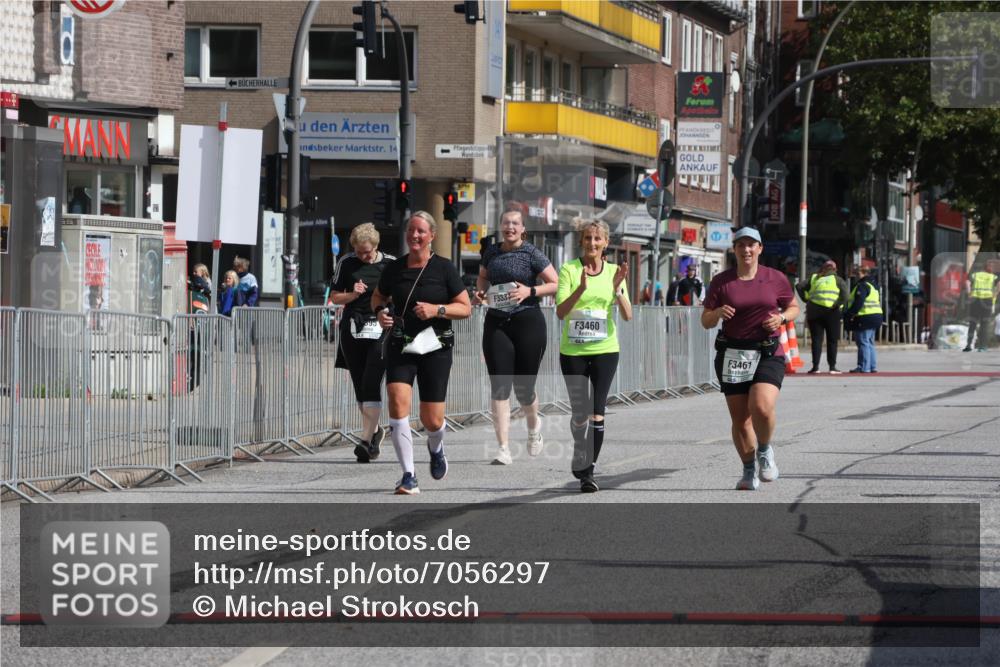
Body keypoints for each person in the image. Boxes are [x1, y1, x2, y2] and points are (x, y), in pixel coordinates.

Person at [371, 211, 472, 495]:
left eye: (420, 231)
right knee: (397, 401)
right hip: (401, 344)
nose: (414, 236)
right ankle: (408, 475)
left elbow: (465, 308)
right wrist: (379, 312)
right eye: (410, 231)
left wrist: (437, 310)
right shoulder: (395, 268)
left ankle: (436, 447)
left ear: (432, 236)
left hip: (435, 347)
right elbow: (378, 296)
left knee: (433, 420)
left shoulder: (444, 269)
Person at [701, 227, 800, 491]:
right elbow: (705, 320)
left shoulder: (775, 278)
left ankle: (764, 450)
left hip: (767, 351)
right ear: (734, 249)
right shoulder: (722, 281)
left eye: (751, 245)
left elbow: (793, 308)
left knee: (761, 406)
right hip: (733, 354)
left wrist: (781, 318)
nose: (746, 249)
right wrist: (718, 313)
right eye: (741, 245)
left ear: (759, 248)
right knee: (741, 419)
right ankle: (748, 471)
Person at [475, 208, 559, 465]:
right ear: (501, 226)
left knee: (524, 389)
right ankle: (503, 448)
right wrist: (481, 292)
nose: (510, 227)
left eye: (515, 223)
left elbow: (555, 283)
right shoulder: (491, 252)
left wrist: (529, 291)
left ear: (523, 229)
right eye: (506, 223)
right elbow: (482, 278)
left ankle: (534, 428)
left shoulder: (532, 253)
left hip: (528, 321)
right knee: (500, 386)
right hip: (497, 322)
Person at [555, 220, 632, 493]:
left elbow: (627, 315)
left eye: (597, 239)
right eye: (588, 238)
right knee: (580, 414)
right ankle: (580, 449)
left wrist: (617, 289)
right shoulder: (569, 269)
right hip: (573, 352)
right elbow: (561, 312)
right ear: (581, 241)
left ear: (606, 243)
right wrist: (580, 288)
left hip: (605, 350)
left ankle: (588, 471)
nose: (592, 243)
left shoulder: (614, 272)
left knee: (597, 412)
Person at [330, 223, 395, 463]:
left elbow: (399, 294)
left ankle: (366, 441)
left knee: (371, 381)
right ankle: (375, 432)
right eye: (358, 252)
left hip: (380, 328)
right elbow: (335, 297)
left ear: (376, 246)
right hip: (353, 328)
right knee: (359, 385)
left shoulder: (390, 263)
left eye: (366, 252)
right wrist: (353, 294)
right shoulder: (346, 263)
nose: (362, 256)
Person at [796, 259, 848, 374]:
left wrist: (806, 299)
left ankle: (815, 367)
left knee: (816, 340)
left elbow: (799, 286)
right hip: (832, 312)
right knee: (832, 340)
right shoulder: (838, 280)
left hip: (814, 311)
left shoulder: (814, 278)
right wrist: (837, 304)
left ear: (823, 268)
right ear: (835, 269)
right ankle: (832, 367)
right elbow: (845, 296)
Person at [844, 265, 883, 373]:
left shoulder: (862, 285)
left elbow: (858, 302)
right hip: (876, 316)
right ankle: (872, 366)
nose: (856, 276)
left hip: (865, 317)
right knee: (870, 342)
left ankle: (864, 367)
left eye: (858, 273)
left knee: (863, 342)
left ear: (863, 273)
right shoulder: (874, 285)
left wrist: (850, 314)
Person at [963, 261, 999, 352]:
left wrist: (969, 293)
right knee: (984, 324)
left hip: (975, 300)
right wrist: (995, 294)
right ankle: (982, 346)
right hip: (987, 301)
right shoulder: (993, 277)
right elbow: (999, 284)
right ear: (989, 268)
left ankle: (968, 345)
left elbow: (967, 282)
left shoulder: (975, 275)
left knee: (972, 323)